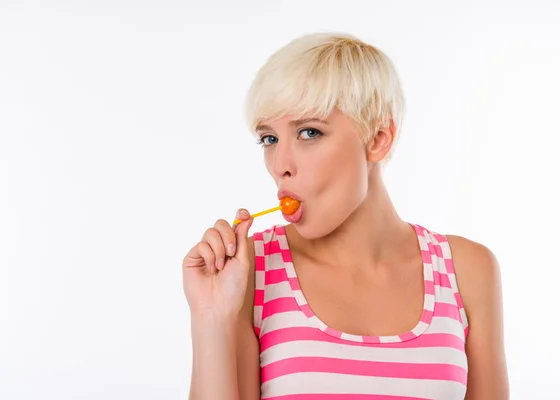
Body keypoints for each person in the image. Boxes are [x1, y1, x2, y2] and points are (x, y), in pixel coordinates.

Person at [182, 32, 509, 399]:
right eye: (269, 139)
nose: (280, 166)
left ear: (377, 139)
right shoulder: (249, 269)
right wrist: (211, 316)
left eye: (309, 132)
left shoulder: (467, 270)